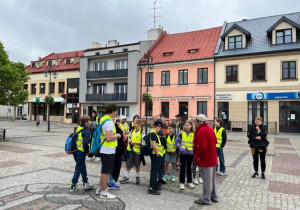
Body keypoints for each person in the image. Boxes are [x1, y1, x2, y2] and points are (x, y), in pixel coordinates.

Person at [96, 104, 121, 199]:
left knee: (104, 170)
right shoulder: (109, 122)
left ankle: (100, 187)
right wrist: (117, 135)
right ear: (114, 110)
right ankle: (104, 192)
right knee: (105, 171)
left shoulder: (103, 119)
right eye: (116, 110)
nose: (117, 112)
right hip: (108, 149)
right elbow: (109, 137)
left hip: (104, 148)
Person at [193, 114, 219, 205]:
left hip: (205, 159)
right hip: (212, 158)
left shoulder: (201, 131)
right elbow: (215, 141)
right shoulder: (210, 129)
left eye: (196, 121)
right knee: (212, 179)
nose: (195, 123)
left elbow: (201, 147)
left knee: (206, 179)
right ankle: (214, 196)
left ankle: (206, 198)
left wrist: (197, 156)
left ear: (200, 122)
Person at [70, 115, 94, 192]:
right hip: (81, 152)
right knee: (78, 168)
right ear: (86, 122)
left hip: (75, 151)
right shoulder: (86, 131)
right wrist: (87, 152)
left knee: (82, 167)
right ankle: (73, 185)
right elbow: (86, 143)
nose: (90, 122)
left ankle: (86, 183)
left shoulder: (79, 128)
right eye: (89, 121)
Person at [120, 119, 143, 185]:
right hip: (131, 150)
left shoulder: (142, 131)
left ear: (138, 124)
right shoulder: (132, 130)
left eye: (135, 123)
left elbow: (143, 142)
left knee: (137, 165)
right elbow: (129, 137)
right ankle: (126, 177)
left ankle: (137, 177)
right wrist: (130, 141)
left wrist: (134, 143)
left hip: (138, 151)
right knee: (128, 164)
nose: (133, 124)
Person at [176, 120, 195, 190]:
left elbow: (195, 142)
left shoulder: (193, 133)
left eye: (188, 125)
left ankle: (189, 181)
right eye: (185, 125)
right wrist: (180, 147)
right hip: (183, 152)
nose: (186, 126)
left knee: (189, 167)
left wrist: (193, 149)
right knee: (182, 167)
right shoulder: (181, 133)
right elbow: (177, 140)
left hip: (190, 152)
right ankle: (182, 182)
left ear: (191, 126)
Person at [107, 118, 125, 190]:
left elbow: (122, 135)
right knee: (112, 166)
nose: (117, 122)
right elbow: (111, 137)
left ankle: (109, 182)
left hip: (115, 150)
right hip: (112, 150)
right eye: (114, 120)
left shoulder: (117, 127)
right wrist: (118, 135)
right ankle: (110, 182)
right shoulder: (111, 127)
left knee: (113, 166)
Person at [148, 120, 164, 195]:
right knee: (154, 171)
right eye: (160, 127)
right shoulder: (153, 133)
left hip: (155, 154)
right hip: (155, 154)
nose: (160, 129)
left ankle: (154, 184)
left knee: (154, 170)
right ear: (158, 126)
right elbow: (154, 145)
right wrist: (158, 154)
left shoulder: (153, 132)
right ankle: (151, 187)